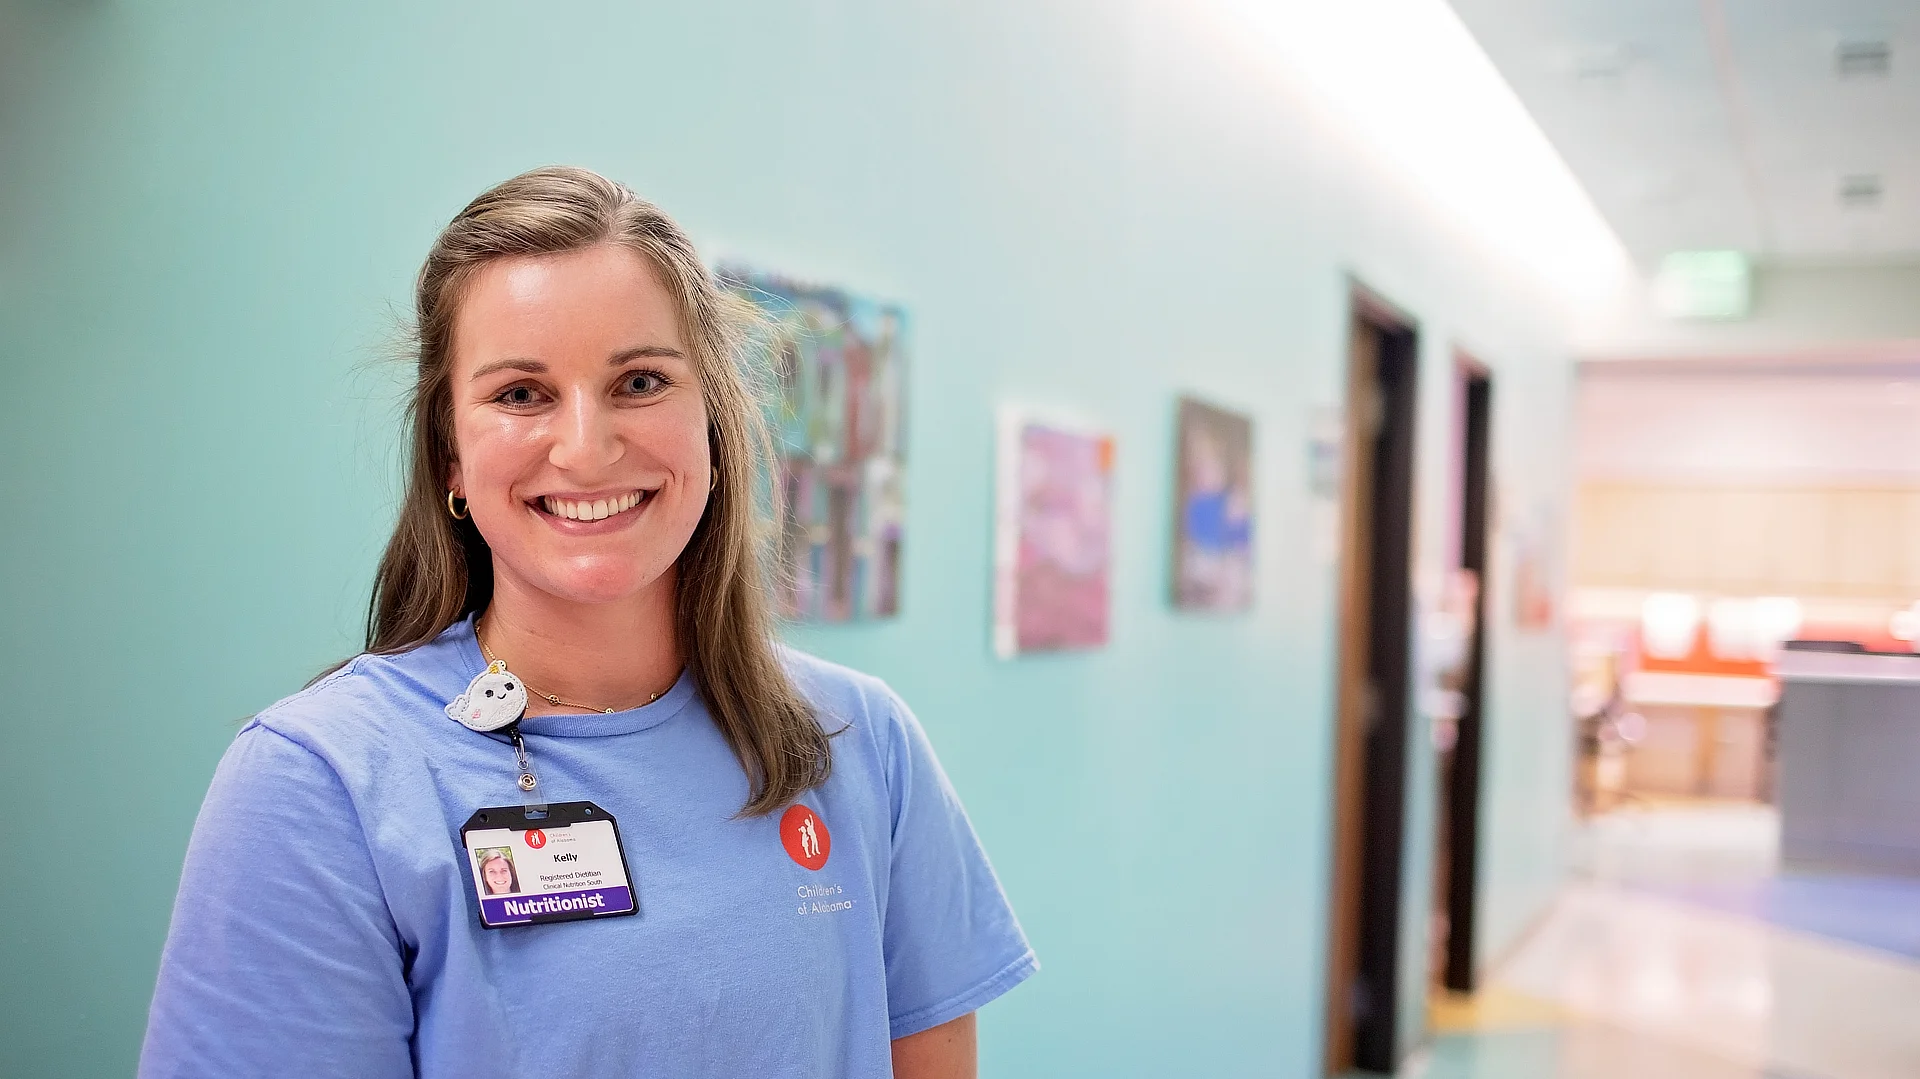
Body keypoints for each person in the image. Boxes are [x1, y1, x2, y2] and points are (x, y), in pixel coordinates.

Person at [139, 166, 1035, 1079]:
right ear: (450, 455)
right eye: (521, 395)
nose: (586, 447)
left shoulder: (860, 740)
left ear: (713, 428)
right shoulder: (319, 785)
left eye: (640, 381)